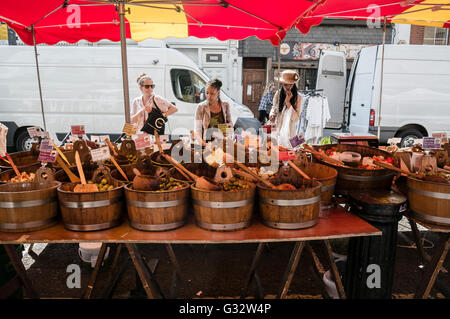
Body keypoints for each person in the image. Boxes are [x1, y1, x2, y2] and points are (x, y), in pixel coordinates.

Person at [269, 70, 302, 148]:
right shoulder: (278, 94)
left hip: (290, 130)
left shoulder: (299, 97)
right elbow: (274, 107)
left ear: (294, 84)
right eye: (285, 85)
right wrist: (272, 114)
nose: (288, 87)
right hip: (277, 128)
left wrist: (288, 102)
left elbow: (296, 118)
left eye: (290, 85)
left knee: (290, 152)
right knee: (275, 150)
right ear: (282, 84)